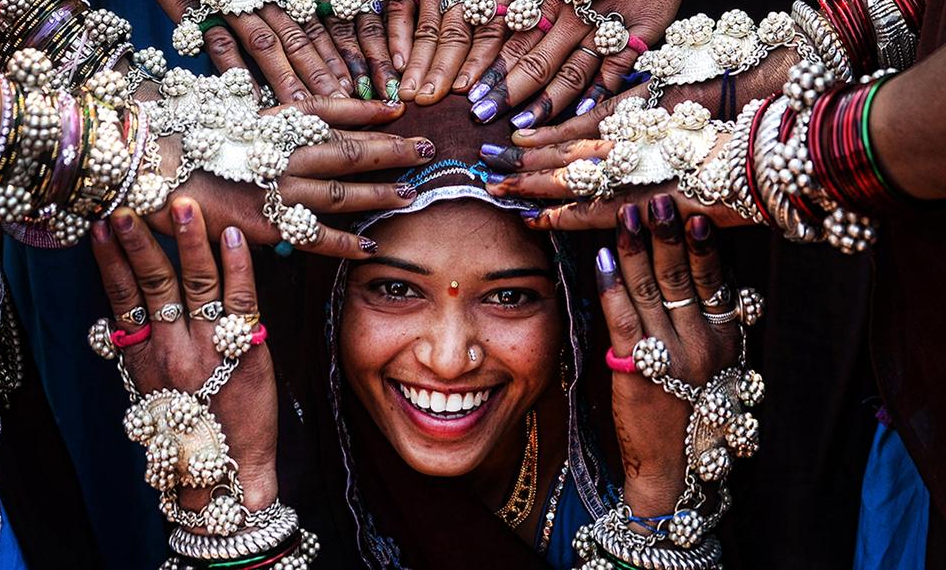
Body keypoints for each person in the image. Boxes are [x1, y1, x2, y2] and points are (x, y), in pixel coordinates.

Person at [89, 97, 761, 569]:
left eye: (508, 297)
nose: (447, 359)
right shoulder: (262, 448)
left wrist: (664, 497)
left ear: (573, 315)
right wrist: (231, 504)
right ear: (331, 305)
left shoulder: (646, 436)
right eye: (395, 289)